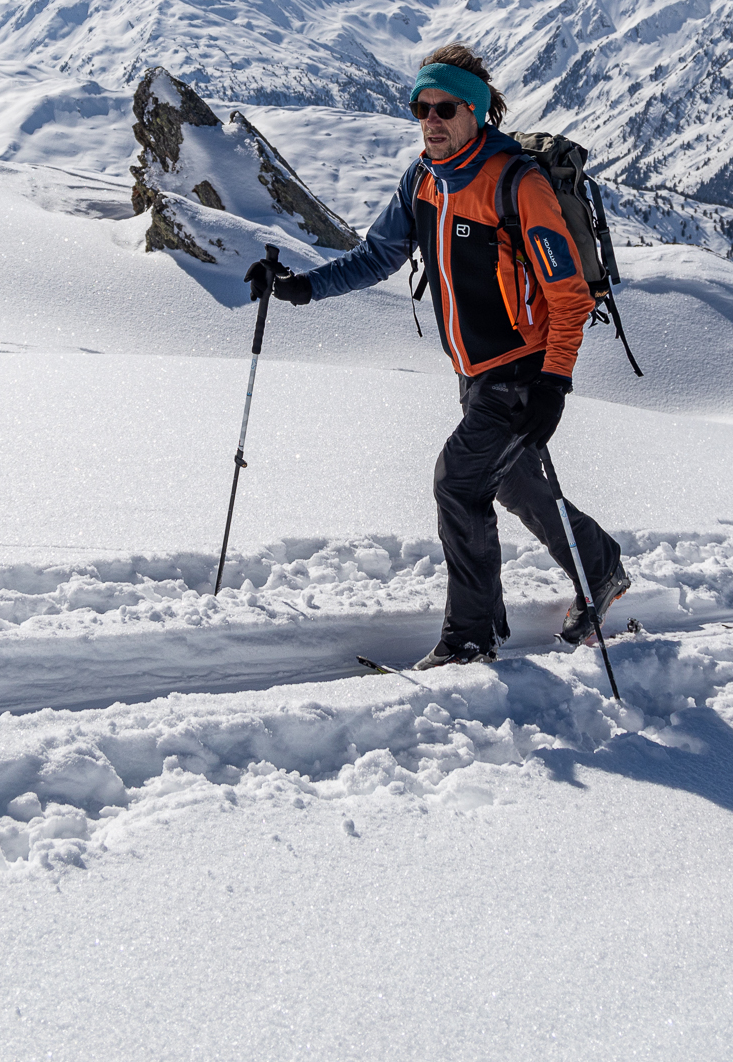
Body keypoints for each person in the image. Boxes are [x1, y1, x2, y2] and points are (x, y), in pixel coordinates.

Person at [247, 44, 630, 669]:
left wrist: (554, 382)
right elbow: (378, 256)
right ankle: (600, 566)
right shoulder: (422, 179)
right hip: (472, 369)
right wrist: (302, 287)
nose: (430, 119)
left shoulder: (517, 183)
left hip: (520, 370)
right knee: (508, 479)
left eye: (445, 107)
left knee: (457, 484)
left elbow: (567, 295)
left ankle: (470, 640)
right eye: (420, 106)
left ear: (475, 111)